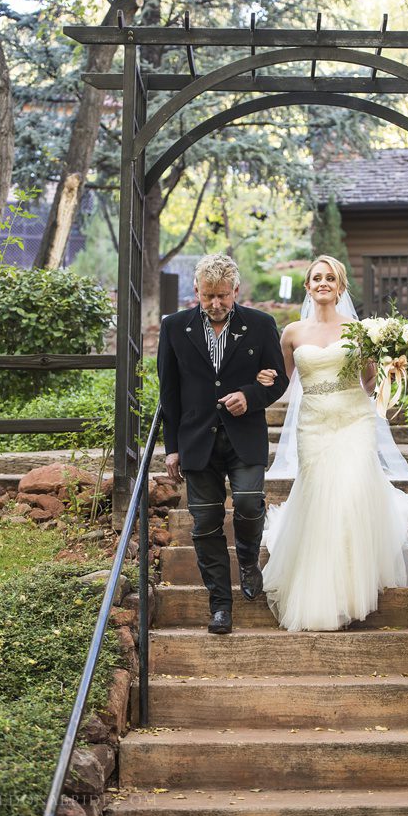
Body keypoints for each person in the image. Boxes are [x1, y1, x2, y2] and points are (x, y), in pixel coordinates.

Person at [258, 255, 408, 631]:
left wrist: (391, 367)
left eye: (330, 278)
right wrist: (260, 379)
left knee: (350, 494)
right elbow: (282, 383)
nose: (323, 283)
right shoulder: (292, 333)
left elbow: (368, 382)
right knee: (320, 496)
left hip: (354, 419)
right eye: (316, 277)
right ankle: (320, 589)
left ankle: (351, 589)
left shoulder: (359, 330)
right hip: (314, 423)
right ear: (307, 286)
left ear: (340, 286)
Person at [157, 253, 289, 635]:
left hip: (244, 435)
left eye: (223, 297)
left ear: (236, 291)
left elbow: (278, 381)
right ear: (196, 290)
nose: (216, 304)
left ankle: (248, 559)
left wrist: (250, 395)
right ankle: (220, 605)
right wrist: (172, 447)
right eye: (208, 296)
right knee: (205, 523)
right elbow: (169, 392)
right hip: (196, 439)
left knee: (249, 502)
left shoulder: (261, 325)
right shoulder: (175, 327)